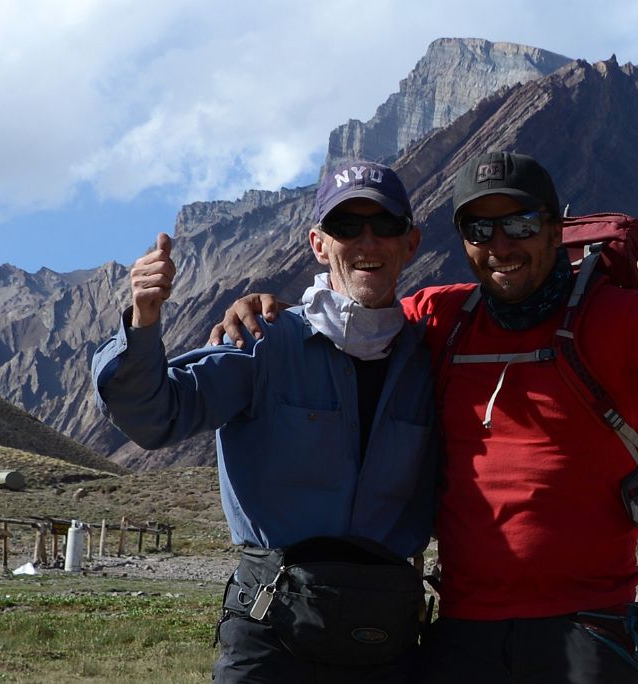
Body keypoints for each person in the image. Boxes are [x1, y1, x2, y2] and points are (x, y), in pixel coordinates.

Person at [211, 151, 638, 683]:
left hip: (585, 625)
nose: (501, 244)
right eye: (480, 229)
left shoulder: (621, 319)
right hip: (464, 631)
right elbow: (353, 317)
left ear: (556, 231)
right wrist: (274, 311)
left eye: (521, 224)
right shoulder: (442, 317)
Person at [91, 160, 439, 683]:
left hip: (386, 637)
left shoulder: (431, 360)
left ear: (410, 243)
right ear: (319, 244)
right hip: (271, 631)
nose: (367, 241)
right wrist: (143, 318)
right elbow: (153, 415)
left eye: (384, 225)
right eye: (346, 227)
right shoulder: (264, 343)